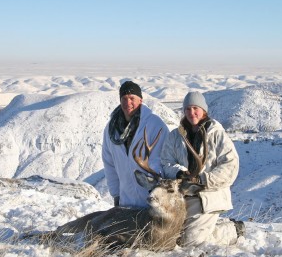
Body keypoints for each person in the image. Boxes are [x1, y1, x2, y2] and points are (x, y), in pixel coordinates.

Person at [161, 91, 245, 247]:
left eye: (195, 108)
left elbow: (231, 166)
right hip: (183, 196)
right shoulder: (175, 136)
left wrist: (203, 179)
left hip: (209, 196)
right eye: (188, 109)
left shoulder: (217, 134)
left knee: (191, 242)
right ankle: (209, 227)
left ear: (203, 110)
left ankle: (233, 229)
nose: (191, 113)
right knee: (172, 238)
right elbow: (165, 162)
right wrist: (179, 172)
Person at [102, 80, 169, 208]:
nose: (128, 103)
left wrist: (152, 187)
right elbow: (109, 163)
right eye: (124, 98)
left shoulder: (154, 125)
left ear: (141, 100)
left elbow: (162, 158)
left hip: (150, 201)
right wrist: (116, 194)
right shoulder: (111, 130)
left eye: (132, 98)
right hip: (125, 202)